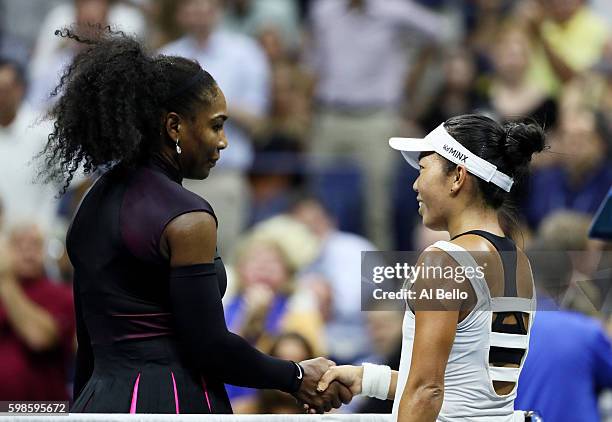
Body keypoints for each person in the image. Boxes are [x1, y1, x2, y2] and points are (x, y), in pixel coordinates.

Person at [40, 27, 350, 414]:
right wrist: (296, 377)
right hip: (174, 403)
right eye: (216, 125)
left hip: (97, 401)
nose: (223, 141)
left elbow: (89, 343)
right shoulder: (188, 218)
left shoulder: (89, 202)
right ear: (174, 127)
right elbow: (210, 346)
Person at [317, 114, 543, 421]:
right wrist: (366, 379)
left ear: (457, 177)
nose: (415, 184)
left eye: (423, 169)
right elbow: (463, 391)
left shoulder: (444, 260)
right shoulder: (519, 262)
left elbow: (428, 390)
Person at [0, 223, 75, 401]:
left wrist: (5, 280)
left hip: (46, 410)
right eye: (18, 244)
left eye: (34, 244)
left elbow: (39, 337)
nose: (27, 250)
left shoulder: (62, 295)